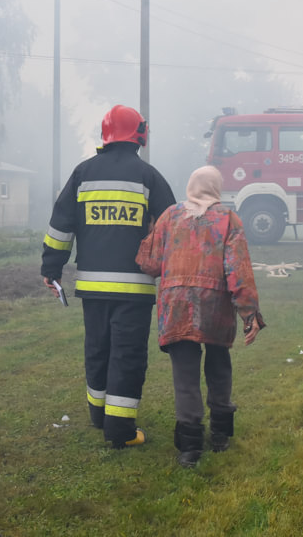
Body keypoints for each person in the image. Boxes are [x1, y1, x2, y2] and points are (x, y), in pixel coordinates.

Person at [40, 105, 176, 448]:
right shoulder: (149, 178)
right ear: (138, 136)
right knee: (127, 355)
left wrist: (51, 269)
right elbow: (173, 228)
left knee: (97, 349)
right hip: (134, 290)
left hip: (92, 287)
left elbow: (60, 227)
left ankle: (99, 415)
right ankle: (120, 431)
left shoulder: (82, 174)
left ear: (106, 136)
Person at [135, 165, 265, 467]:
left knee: (185, 376)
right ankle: (220, 434)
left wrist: (148, 231)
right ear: (216, 188)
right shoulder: (228, 220)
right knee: (219, 366)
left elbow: (150, 264)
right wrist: (249, 313)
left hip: (176, 306)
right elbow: (238, 271)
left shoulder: (170, 217)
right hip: (214, 307)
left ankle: (190, 447)